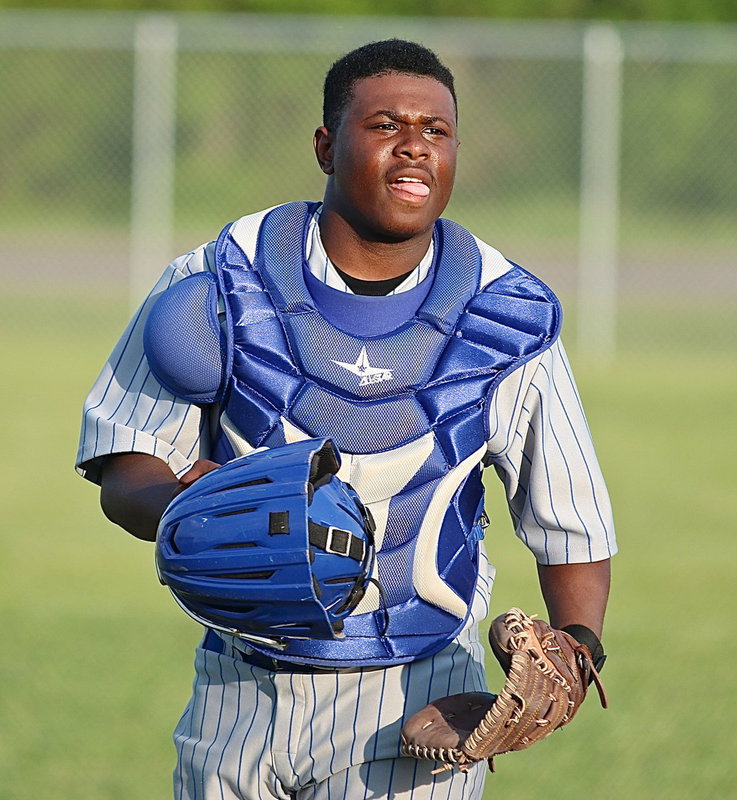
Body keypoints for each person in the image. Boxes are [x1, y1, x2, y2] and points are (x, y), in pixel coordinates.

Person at [76, 39, 615, 800]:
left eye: (435, 130)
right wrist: (183, 507)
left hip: (417, 702)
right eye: (386, 125)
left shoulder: (503, 315)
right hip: (241, 687)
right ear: (326, 145)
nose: (414, 148)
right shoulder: (218, 281)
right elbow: (125, 463)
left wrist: (578, 645)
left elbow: (572, 521)